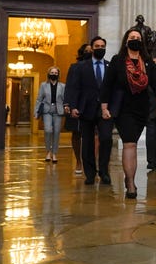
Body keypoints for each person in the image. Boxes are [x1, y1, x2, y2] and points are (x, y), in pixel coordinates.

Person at [100, 28, 156, 199]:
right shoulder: (117, 61)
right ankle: (130, 183)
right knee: (130, 144)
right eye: (132, 37)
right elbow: (107, 84)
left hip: (141, 108)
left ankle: (129, 179)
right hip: (123, 109)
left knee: (134, 143)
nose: (135, 39)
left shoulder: (148, 62)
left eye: (138, 37)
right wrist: (104, 107)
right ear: (126, 41)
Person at [66, 35, 114, 186]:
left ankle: (104, 172)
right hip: (86, 109)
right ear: (92, 48)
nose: (100, 49)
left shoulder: (110, 66)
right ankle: (90, 174)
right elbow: (74, 87)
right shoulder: (81, 67)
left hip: (105, 110)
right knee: (87, 143)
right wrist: (73, 106)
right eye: (97, 46)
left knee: (106, 139)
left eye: (102, 46)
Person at [64, 43, 91, 175]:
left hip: (91, 105)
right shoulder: (74, 67)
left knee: (92, 135)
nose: (89, 53)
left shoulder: (98, 66)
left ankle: (91, 162)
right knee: (76, 133)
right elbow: (69, 86)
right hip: (76, 103)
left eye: (91, 50)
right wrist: (67, 104)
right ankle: (78, 161)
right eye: (87, 51)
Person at [34, 66, 65, 163]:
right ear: (48, 73)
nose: (54, 74)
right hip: (47, 110)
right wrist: (36, 112)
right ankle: (48, 152)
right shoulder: (43, 85)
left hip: (58, 110)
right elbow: (39, 99)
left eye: (56, 73)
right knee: (47, 130)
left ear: (58, 74)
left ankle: (54, 153)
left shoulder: (62, 86)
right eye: (52, 72)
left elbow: (65, 99)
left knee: (56, 132)